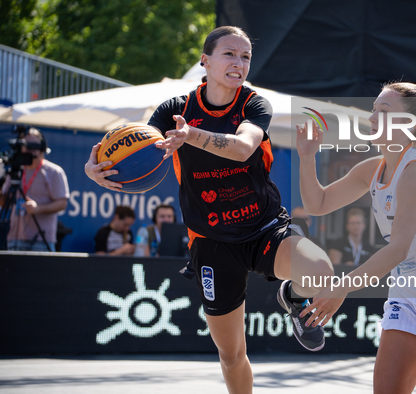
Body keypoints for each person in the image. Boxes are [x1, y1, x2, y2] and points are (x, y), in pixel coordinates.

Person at [84, 26, 333, 394]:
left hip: (263, 228)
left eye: (245, 56)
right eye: (229, 54)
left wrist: (192, 136)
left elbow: (244, 147)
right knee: (231, 354)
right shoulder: (174, 110)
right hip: (212, 241)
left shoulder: (254, 104)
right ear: (206, 60)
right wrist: (99, 170)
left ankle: (293, 297)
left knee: (322, 273)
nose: (239, 62)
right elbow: (142, 150)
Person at [297, 82, 416, 394]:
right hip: (410, 295)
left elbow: (398, 248)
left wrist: (342, 286)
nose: (373, 117)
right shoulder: (374, 168)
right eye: (374, 108)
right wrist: (307, 157)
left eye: (383, 110)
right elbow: (317, 204)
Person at [0, 127, 69, 252]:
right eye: (26, 145)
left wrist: (38, 208)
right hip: (13, 239)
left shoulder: (53, 172)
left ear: (42, 148)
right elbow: (4, 203)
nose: (29, 150)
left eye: (33, 146)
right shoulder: (15, 171)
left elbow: (62, 203)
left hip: (41, 240)